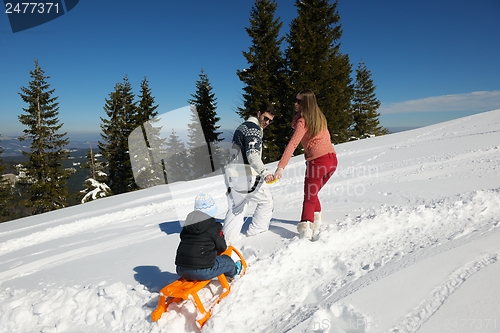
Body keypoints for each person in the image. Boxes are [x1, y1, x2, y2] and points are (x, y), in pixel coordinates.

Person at [274, 90, 338, 240]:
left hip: (318, 162)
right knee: (313, 193)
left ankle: (306, 230)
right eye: (295, 100)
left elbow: (293, 144)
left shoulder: (303, 121)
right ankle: (317, 219)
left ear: (307, 103)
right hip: (332, 161)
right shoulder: (319, 118)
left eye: (299, 101)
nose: (295, 104)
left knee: (309, 196)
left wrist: (281, 167)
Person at [222, 104, 276, 243]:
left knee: (237, 208)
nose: (267, 122)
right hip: (245, 174)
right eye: (265, 118)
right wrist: (264, 172)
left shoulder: (243, 126)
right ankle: (258, 236)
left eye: (270, 120)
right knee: (266, 201)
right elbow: (252, 155)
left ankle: (226, 242)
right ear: (259, 114)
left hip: (232, 173)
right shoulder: (254, 129)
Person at [175, 193, 242, 281]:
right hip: (203, 271)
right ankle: (235, 272)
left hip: (181, 269)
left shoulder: (188, 226)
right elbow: (222, 247)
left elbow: (184, 238)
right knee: (228, 261)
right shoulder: (214, 227)